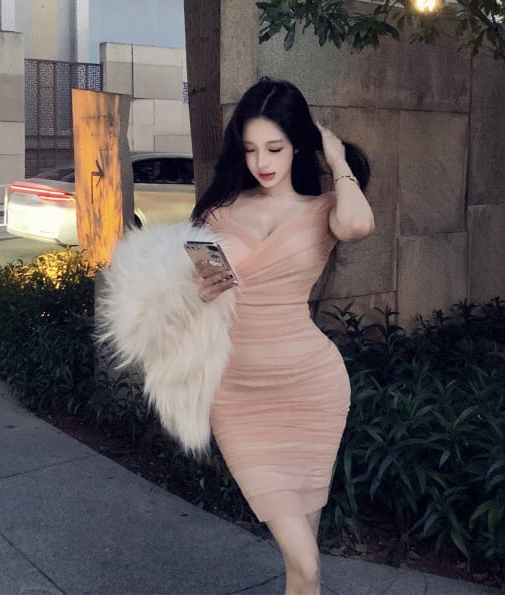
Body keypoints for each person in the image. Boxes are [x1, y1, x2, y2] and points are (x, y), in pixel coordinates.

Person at [190, 77, 375, 595]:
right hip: (238, 396)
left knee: (302, 568)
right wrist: (199, 295)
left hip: (311, 390)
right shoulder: (217, 213)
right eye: (250, 149)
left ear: (297, 144)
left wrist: (337, 159)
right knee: (307, 562)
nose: (261, 162)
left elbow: (358, 225)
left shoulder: (324, 211)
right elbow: (192, 302)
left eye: (274, 147)